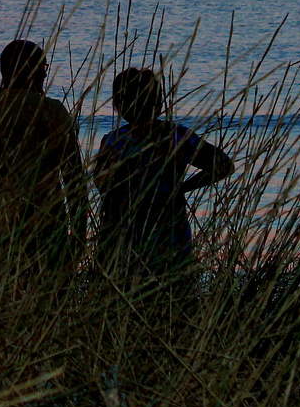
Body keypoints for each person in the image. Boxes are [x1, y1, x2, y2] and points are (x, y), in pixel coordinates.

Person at [0, 39, 86, 277]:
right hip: (50, 232)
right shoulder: (52, 111)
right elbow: (74, 179)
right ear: (33, 72)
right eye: (43, 68)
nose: (44, 76)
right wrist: (78, 235)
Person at [91, 67, 233, 279]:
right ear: (158, 103)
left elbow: (102, 185)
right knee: (172, 291)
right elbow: (223, 165)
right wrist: (181, 189)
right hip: (169, 228)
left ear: (119, 105)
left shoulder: (114, 141)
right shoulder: (177, 136)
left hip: (123, 231)